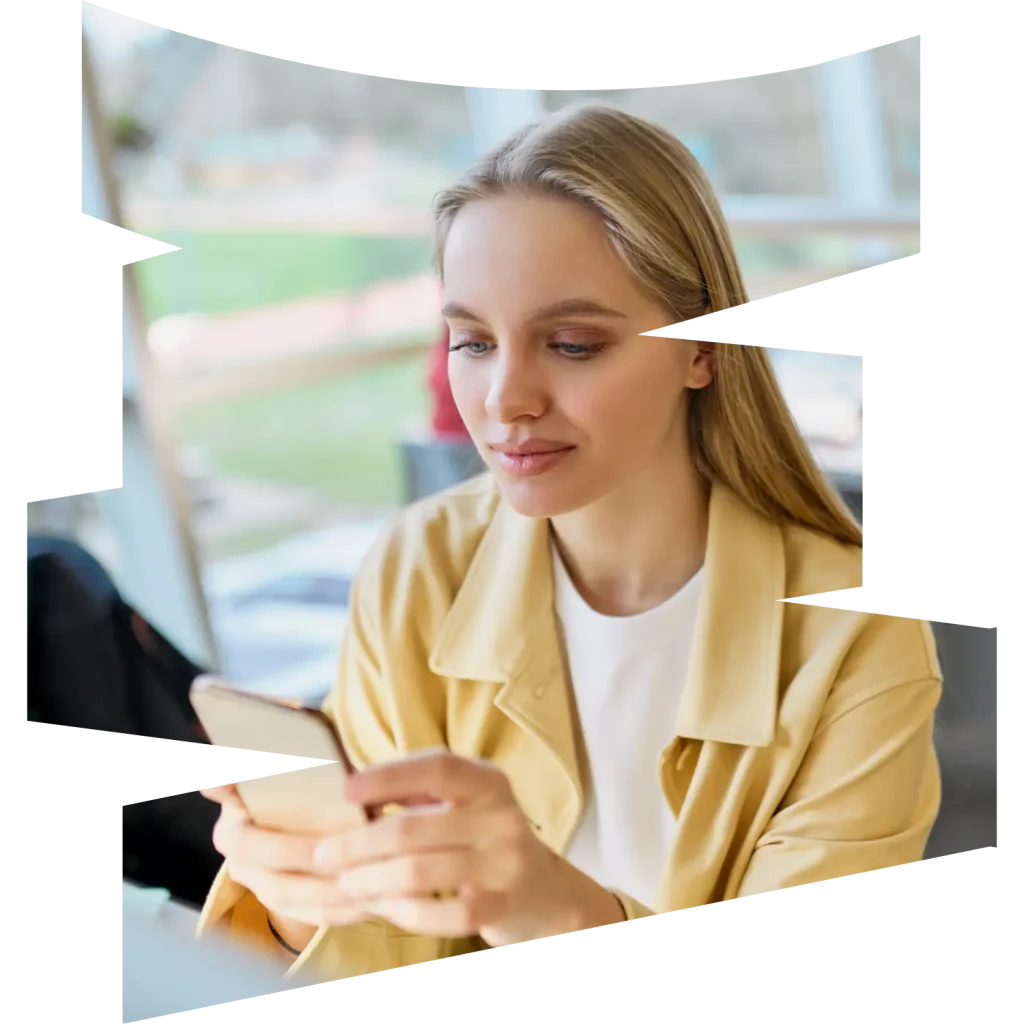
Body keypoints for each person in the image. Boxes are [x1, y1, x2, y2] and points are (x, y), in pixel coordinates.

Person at [197, 104, 942, 978]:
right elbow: (375, 942)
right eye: (472, 341)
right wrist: (296, 909)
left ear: (702, 351)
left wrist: (548, 907)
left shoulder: (859, 634)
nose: (505, 398)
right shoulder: (418, 569)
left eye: (572, 343)